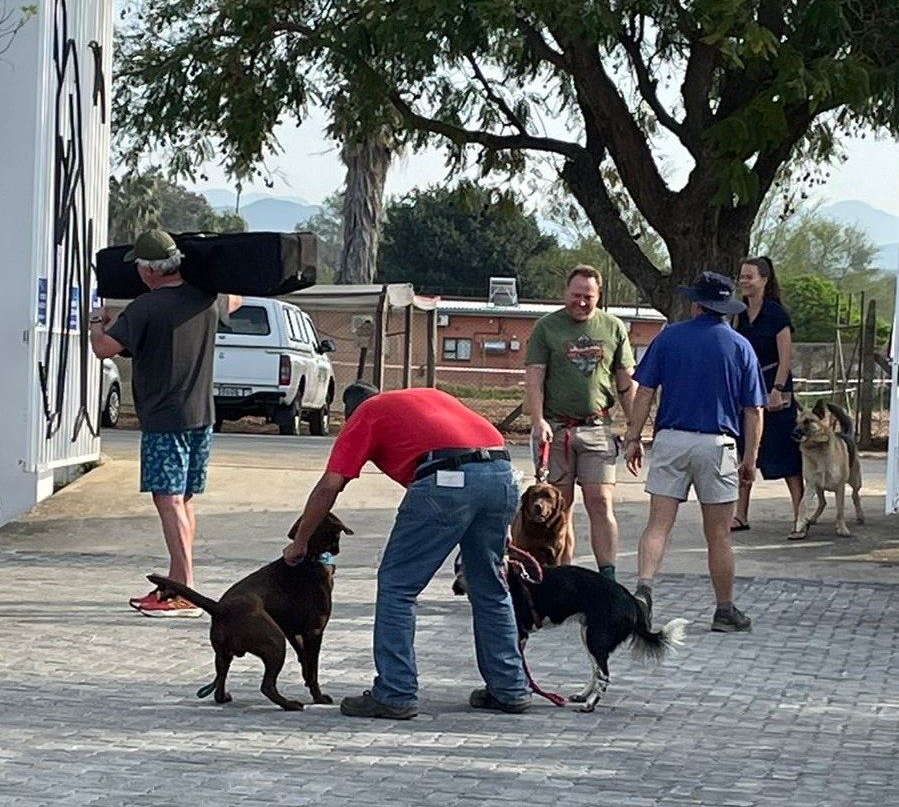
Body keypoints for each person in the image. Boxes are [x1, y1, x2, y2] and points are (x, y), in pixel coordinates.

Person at [283, 383, 530, 720]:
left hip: (447, 479)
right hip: (501, 475)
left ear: (349, 413)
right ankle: (510, 688)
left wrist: (300, 542)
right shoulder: (426, 396)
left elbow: (330, 485)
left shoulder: (364, 416)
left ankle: (395, 692)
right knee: (489, 585)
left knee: (398, 587)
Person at [89, 228, 241, 618]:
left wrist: (96, 321)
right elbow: (235, 298)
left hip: (164, 418)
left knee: (168, 498)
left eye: (139, 265)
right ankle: (177, 582)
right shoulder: (207, 298)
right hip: (201, 415)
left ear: (149, 271)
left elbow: (104, 348)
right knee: (184, 498)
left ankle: (184, 588)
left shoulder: (145, 307)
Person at [624, 271, 766, 633]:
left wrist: (633, 436)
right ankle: (724, 609)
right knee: (718, 534)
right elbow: (753, 410)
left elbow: (644, 391)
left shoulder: (669, 337)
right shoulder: (739, 346)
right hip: (717, 443)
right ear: (725, 308)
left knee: (658, 523)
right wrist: (750, 459)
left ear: (696, 304)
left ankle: (643, 590)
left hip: (672, 438)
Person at [524, 265, 636, 579]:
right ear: (566, 294)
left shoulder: (613, 328)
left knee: (600, 502)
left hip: (597, 428)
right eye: (576, 295)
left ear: (598, 297)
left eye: (588, 297)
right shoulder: (547, 327)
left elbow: (626, 381)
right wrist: (538, 420)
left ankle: (608, 577)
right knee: (561, 507)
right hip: (557, 429)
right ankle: (563, 577)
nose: (581, 302)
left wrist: (634, 428)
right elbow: (534, 377)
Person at [732, 256, 805, 538]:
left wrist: (777, 389)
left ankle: (800, 515)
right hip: (747, 389)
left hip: (774, 384)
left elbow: (786, 356)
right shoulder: (738, 313)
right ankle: (741, 514)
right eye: (742, 276)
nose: (744, 281)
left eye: (749, 276)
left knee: (784, 452)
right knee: (745, 449)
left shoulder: (777, 314)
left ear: (764, 279)